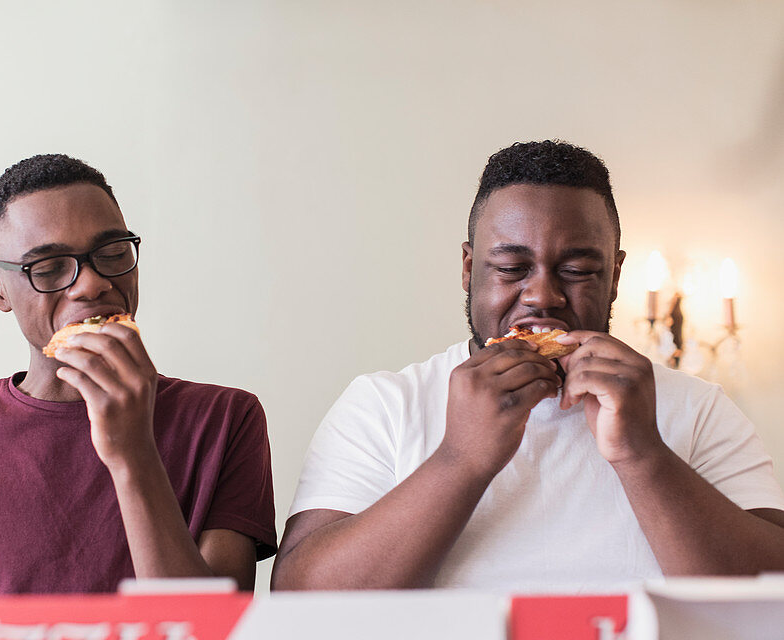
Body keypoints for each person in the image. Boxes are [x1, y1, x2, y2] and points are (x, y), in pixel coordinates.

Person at [272, 140, 784, 592]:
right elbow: (301, 601)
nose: (542, 295)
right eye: (512, 269)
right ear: (470, 269)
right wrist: (461, 458)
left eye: (578, 270)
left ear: (615, 276)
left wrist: (643, 454)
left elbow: (771, 602)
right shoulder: (385, 404)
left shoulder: (696, 408)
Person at [0, 154, 276, 598]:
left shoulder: (224, 419)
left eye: (113, 253)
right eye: (48, 269)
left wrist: (133, 454)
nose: (91, 284)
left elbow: (216, 638)